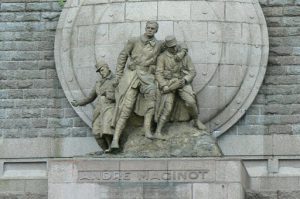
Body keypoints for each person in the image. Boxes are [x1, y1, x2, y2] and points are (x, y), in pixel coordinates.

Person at [111, 21, 187, 149]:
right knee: (125, 107)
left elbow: (178, 45)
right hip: (132, 76)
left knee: (152, 100)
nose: (150, 30)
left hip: (148, 77)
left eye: (153, 28)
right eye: (148, 28)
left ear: (156, 31)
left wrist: (182, 52)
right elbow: (122, 57)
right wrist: (118, 76)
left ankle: (147, 131)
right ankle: (115, 140)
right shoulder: (133, 40)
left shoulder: (159, 44)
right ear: (145, 28)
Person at [154, 35, 207, 139]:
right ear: (167, 47)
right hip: (169, 84)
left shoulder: (184, 56)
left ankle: (196, 120)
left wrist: (185, 80)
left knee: (191, 102)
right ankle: (158, 131)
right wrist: (164, 85)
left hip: (182, 82)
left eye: (175, 46)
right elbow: (158, 73)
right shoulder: (162, 57)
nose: (174, 49)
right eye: (171, 47)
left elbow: (192, 71)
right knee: (167, 107)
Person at [71, 60, 115, 153]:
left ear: (107, 68)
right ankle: (106, 151)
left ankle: (112, 148)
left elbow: (120, 95)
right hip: (99, 110)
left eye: (102, 70)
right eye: (99, 71)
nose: (101, 73)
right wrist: (79, 103)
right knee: (96, 132)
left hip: (110, 108)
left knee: (106, 130)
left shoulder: (115, 80)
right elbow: (90, 97)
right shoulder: (98, 83)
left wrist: (108, 94)